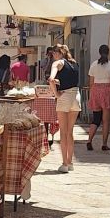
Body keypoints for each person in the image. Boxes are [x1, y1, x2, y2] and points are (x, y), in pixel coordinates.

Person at [49, 44, 81, 173]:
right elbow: (67, 80)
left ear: (58, 53)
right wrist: (58, 82)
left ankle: (64, 164)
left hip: (65, 97)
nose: (52, 56)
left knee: (63, 132)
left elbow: (51, 79)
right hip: (76, 96)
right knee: (70, 131)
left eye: (53, 53)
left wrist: (56, 94)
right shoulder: (74, 64)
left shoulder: (57, 63)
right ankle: (70, 162)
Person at [87, 45, 110, 151]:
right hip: (106, 91)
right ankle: (104, 144)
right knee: (106, 121)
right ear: (108, 52)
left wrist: (92, 95)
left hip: (95, 90)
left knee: (96, 119)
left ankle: (89, 140)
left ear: (99, 52)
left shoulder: (93, 65)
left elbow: (91, 82)